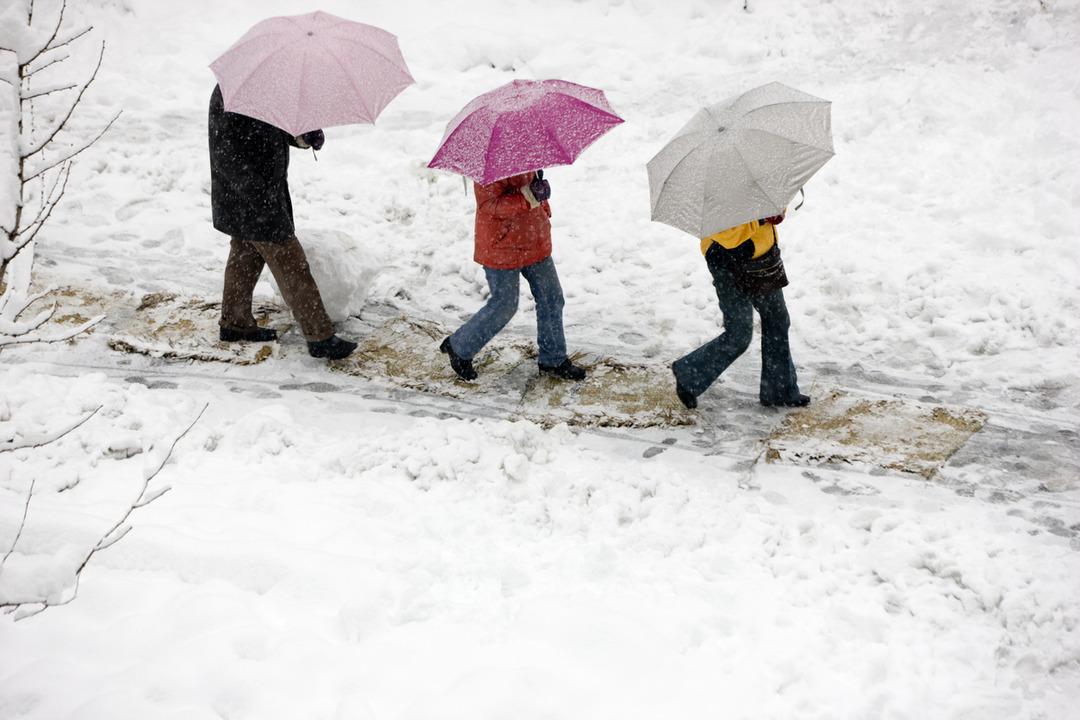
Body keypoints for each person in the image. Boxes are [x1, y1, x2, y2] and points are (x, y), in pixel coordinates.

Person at [208, 85, 357, 360]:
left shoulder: (249, 87)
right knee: (292, 264)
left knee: (245, 254)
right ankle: (320, 336)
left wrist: (300, 136)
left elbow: (264, 129)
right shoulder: (243, 92)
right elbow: (249, 138)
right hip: (254, 194)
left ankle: (235, 322)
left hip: (246, 192)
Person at [440, 170, 586, 382]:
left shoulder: (528, 150)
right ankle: (460, 346)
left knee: (552, 298)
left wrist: (541, 199)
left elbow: (531, 191)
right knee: (505, 305)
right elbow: (489, 205)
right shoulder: (489, 163)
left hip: (534, 238)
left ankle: (553, 360)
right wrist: (528, 197)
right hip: (501, 245)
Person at [671, 213, 810, 410]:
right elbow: (729, 236)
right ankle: (689, 374)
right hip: (727, 264)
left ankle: (779, 390)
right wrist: (760, 219)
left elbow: (771, 201)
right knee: (739, 334)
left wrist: (777, 211)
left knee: (777, 320)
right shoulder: (714, 192)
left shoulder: (756, 181)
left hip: (763, 257)